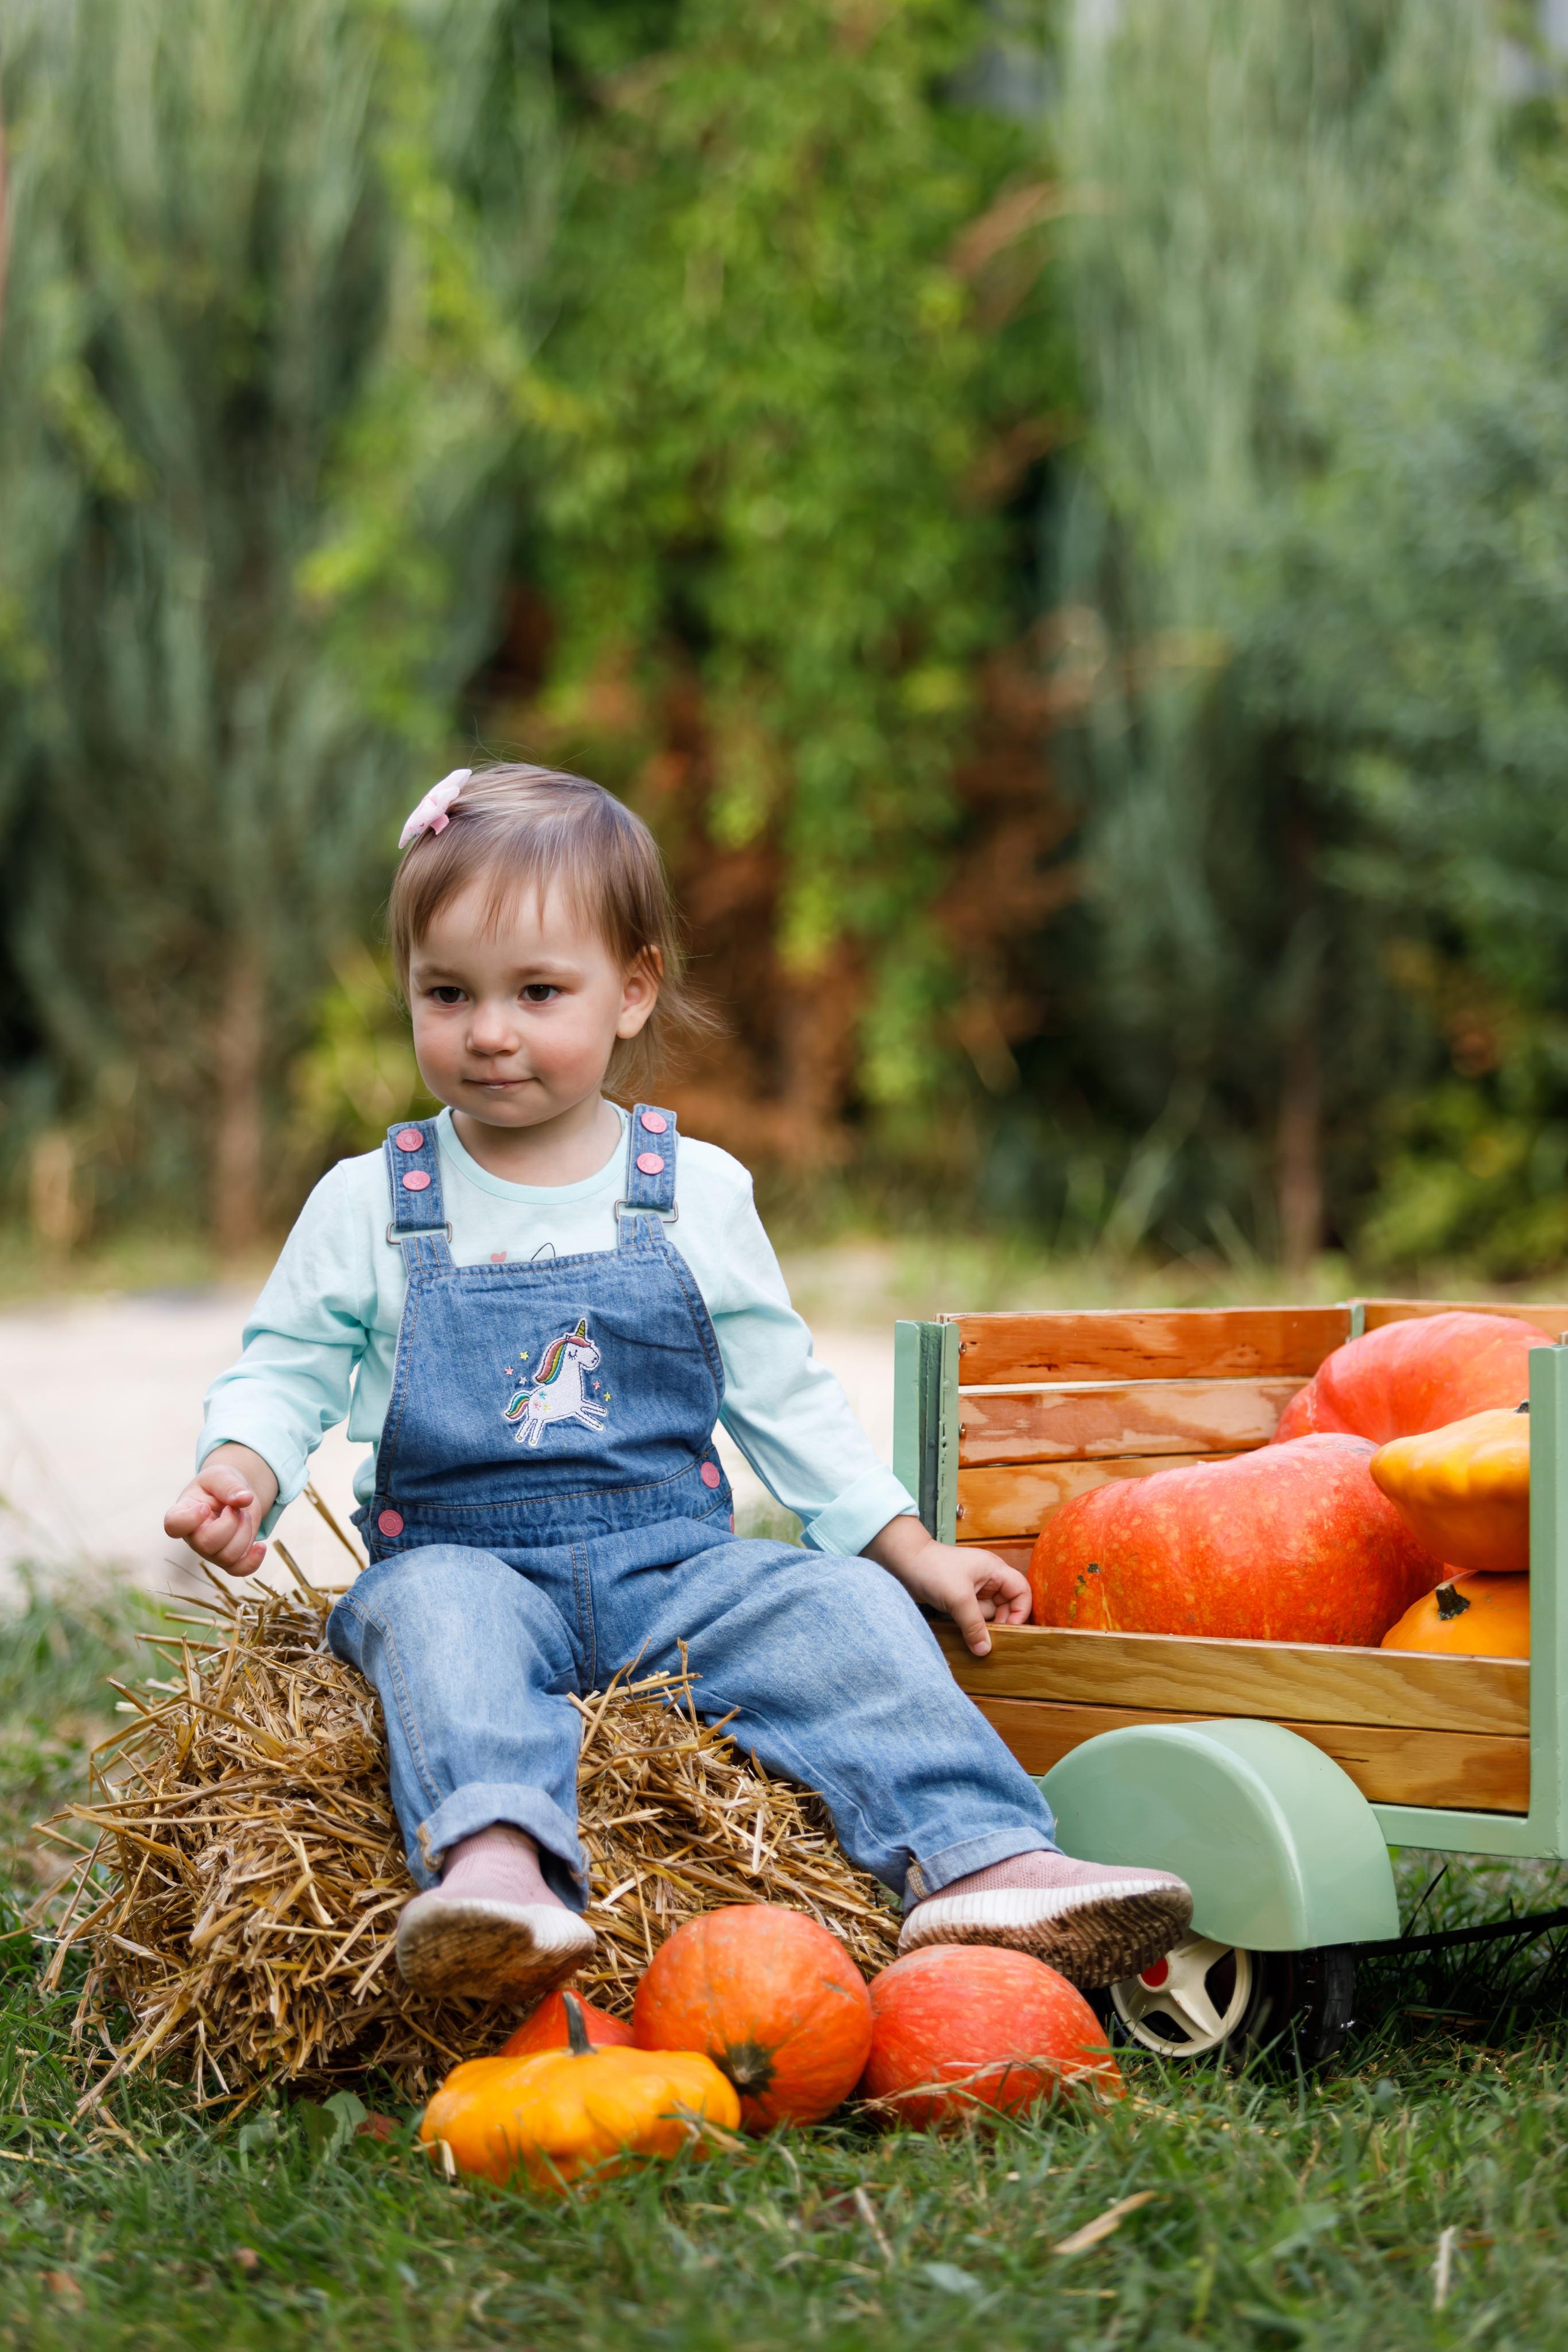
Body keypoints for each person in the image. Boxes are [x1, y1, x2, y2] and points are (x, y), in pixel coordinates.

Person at [165, 764, 1192, 2005]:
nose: (489, 1031)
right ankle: (497, 1873)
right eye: (448, 994)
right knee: (432, 1629)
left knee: (841, 1615)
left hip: (674, 1566)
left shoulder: (692, 1190)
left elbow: (781, 1389)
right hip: (466, 1558)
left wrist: (897, 1545)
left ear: (632, 990)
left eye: (537, 992)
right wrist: (246, 1465)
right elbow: (288, 1363)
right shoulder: (372, 1199)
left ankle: (982, 1858)